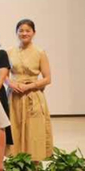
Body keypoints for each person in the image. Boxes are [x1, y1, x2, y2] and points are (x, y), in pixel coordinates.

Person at [6, 19, 52, 161]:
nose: (24, 33)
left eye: (28, 30)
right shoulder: (9, 51)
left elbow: (47, 78)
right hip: (14, 96)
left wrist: (29, 86)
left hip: (33, 95)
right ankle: (17, 166)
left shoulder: (40, 52)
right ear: (16, 32)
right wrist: (10, 84)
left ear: (34, 33)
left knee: (34, 131)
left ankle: (34, 167)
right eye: (21, 30)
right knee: (15, 129)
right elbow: (4, 75)